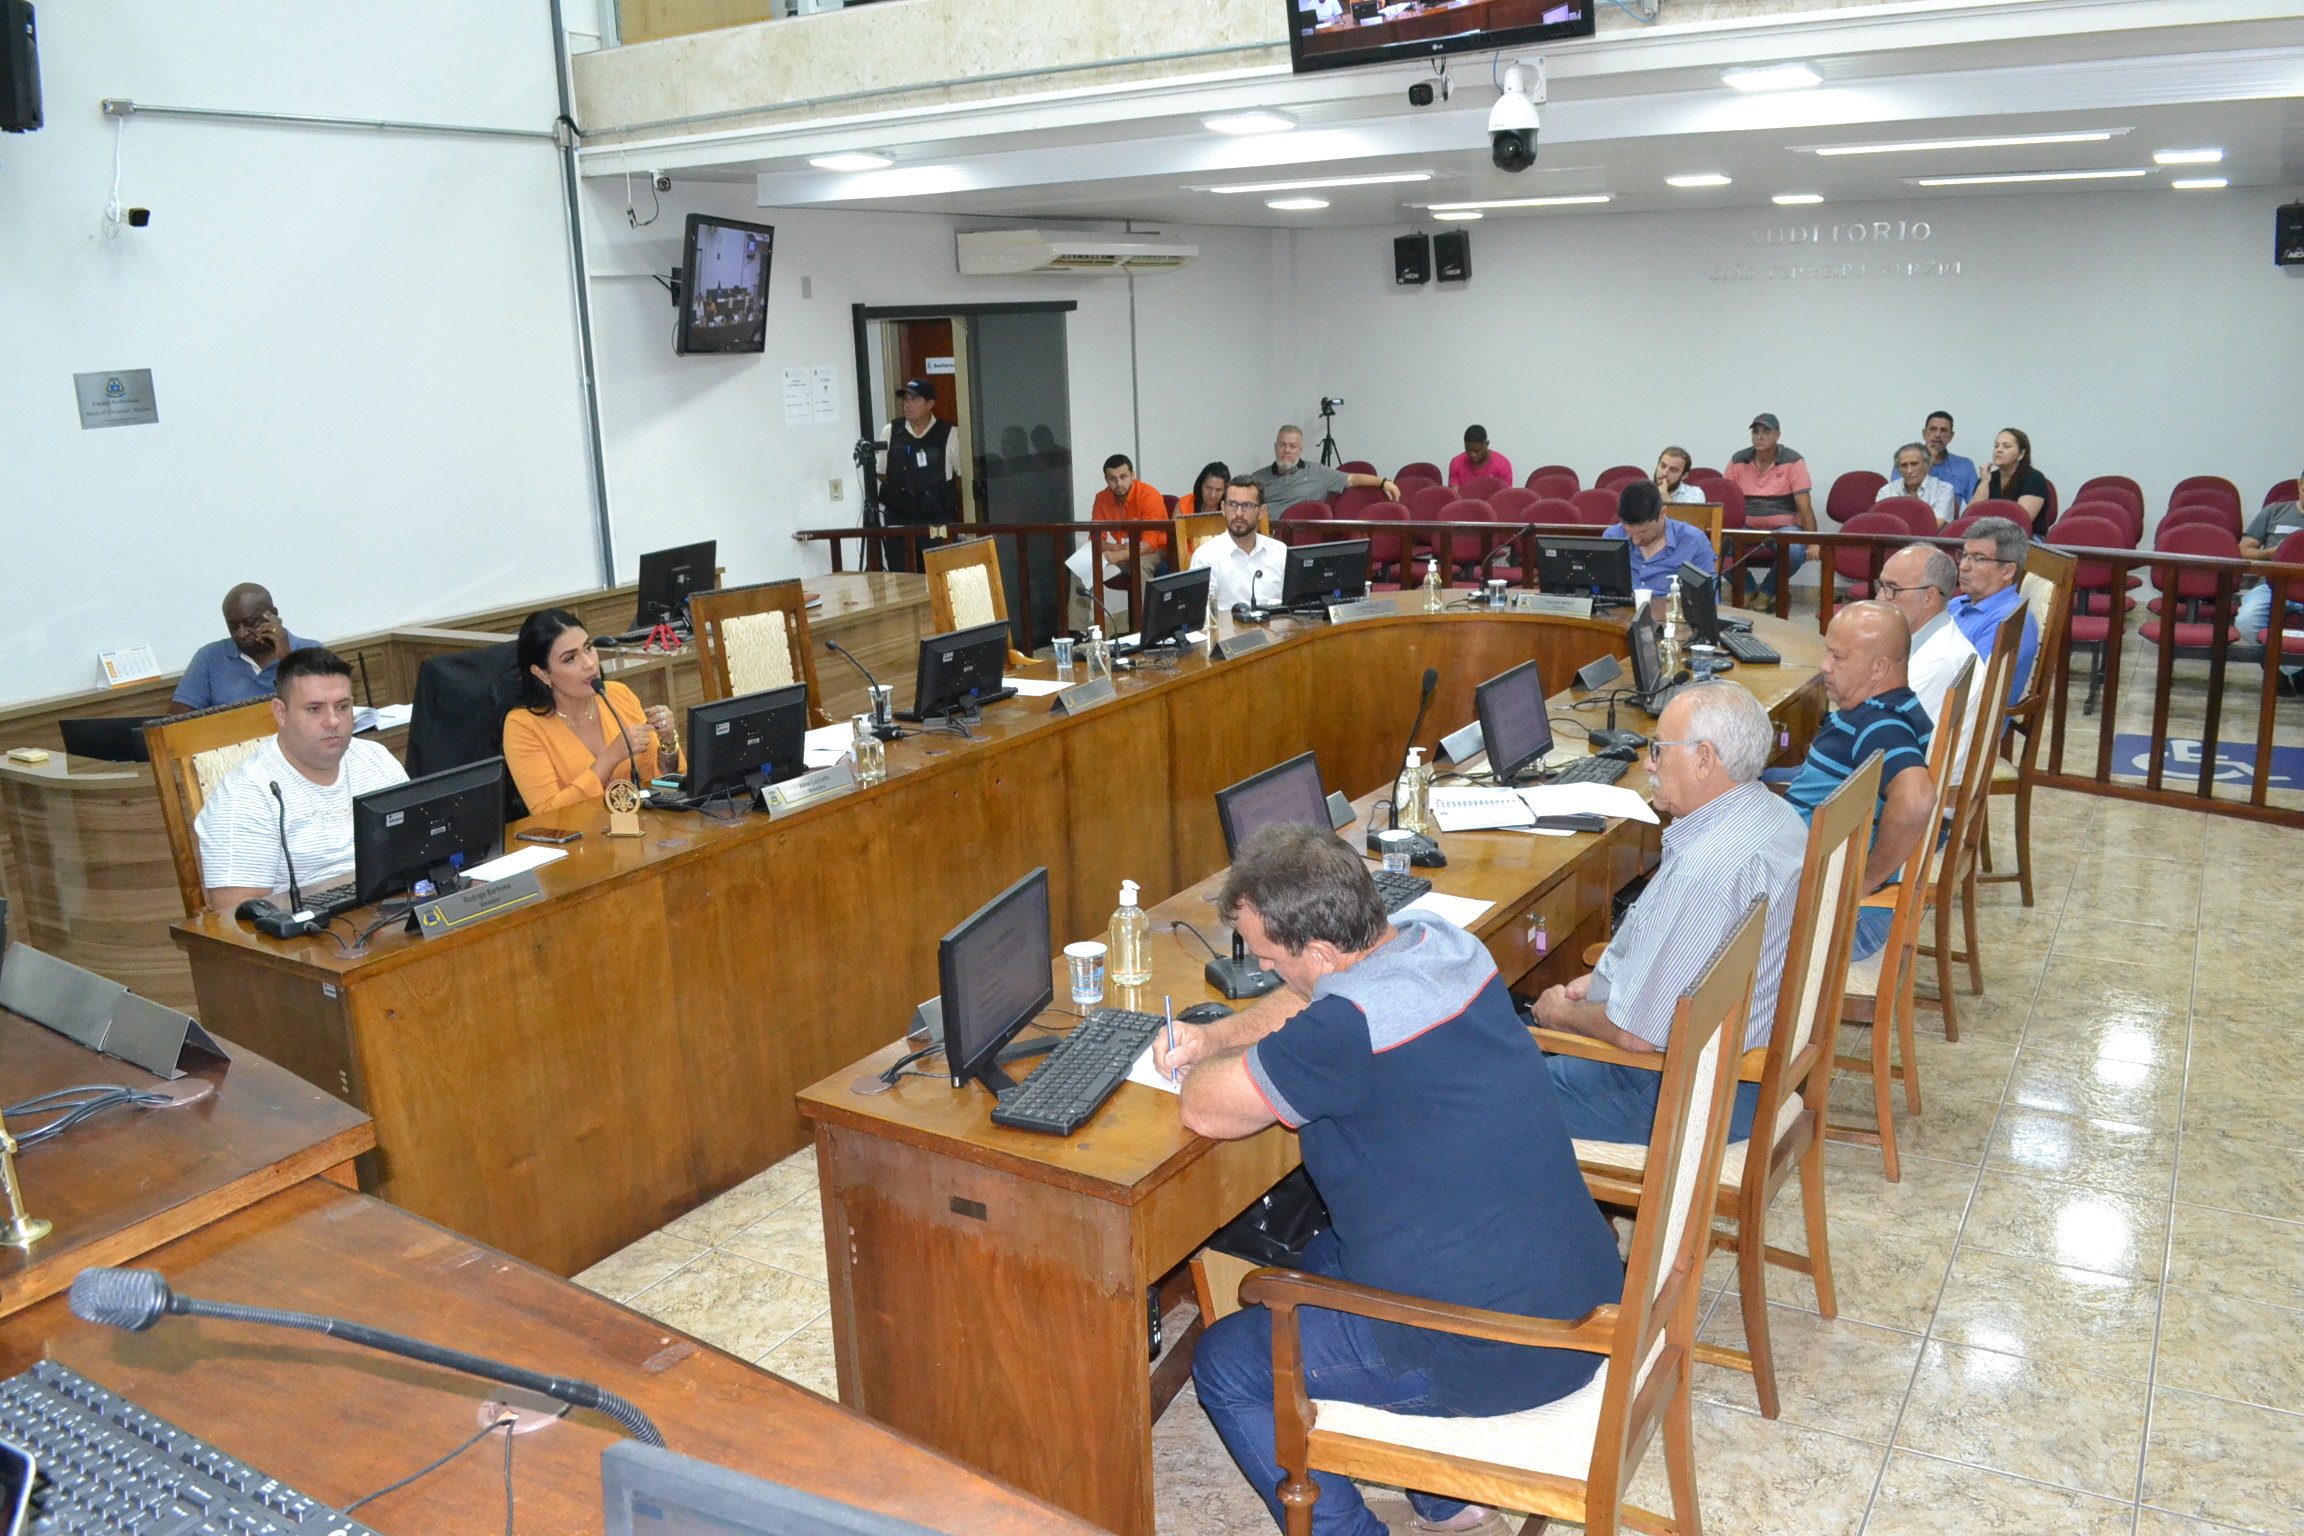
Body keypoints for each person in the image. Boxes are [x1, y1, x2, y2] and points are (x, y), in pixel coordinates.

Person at [1156, 823, 1621, 1536]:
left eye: (1271, 959)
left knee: (1228, 1365)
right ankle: (1444, 1497)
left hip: (1495, 1350)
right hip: (1581, 1292)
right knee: (1319, 1257)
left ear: (1318, 954)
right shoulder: (1442, 944)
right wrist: (1218, 1034)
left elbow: (1204, 1108)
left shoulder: (1343, 1030)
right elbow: (1321, 997)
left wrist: (1203, 1062)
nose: (1269, 973)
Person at [1531, 682, 1803, 1145]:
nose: (1649, 764)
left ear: (1704, 759)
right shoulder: (1776, 816)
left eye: (1659, 749)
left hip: (1689, 1093)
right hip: (1740, 1062)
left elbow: (1636, 1037)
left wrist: (1559, 1015)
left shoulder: (1708, 870)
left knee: (1476, 1102)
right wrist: (1606, 982)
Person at [193, 648, 407, 912]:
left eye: (343, 706)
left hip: (395, 909)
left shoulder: (376, 759)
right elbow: (236, 916)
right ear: (280, 713)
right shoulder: (245, 795)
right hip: (311, 931)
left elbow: (418, 848)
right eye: (314, 709)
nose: (333, 721)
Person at [1779, 603, 1936, 961]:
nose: (1824, 666)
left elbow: (1916, 800)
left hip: (1847, 921)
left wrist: (1864, 882)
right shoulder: (1890, 708)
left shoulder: (1880, 725)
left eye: (1838, 657)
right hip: (1833, 901)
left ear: (1878, 667)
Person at [501, 608, 683, 816]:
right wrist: (610, 758)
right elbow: (548, 813)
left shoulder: (618, 695)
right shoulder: (523, 726)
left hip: (636, 825)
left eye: (588, 648)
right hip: (578, 834)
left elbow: (662, 784)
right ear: (542, 674)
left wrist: (667, 742)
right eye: (570, 659)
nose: (589, 664)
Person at [1877, 544, 1982, 781]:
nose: (1880, 598)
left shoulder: (1938, 661)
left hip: (1912, 788)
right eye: (1881, 586)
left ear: (1929, 597)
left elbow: (1886, 743)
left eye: (1892, 589)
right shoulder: (1930, 636)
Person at [172, 583, 319, 712]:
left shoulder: (312, 651)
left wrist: (287, 660)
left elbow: (319, 708)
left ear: (272, 615)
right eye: (233, 626)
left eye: (250, 623)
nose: (242, 634)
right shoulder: (209, 658)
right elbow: (179, 721)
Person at [1725, 413, 1815, 609]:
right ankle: (1747, 589)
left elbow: (1804, 506)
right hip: (1746, 526)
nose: (1759, 437)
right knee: (1714, 547)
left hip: (1784, 527)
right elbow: (1727, 500)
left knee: (1795, 551)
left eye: (1766, 432)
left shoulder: (1793, 461)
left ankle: (1767, 592)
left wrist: (1813, 542)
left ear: (1777, 435)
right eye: (1755, 432)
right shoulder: (1738, 460)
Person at [1947, 516, 2039, 701]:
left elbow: (1970, 689)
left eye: (1978, 559)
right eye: (1964, 555)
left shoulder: (2009, 621)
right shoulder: (1958, 603)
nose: (1963, 566)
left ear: (2007, 571)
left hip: (1961, 715)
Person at [1248, 425, 1399, 515]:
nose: (1287, 450)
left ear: (1300, 449)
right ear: (1275, 447)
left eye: (1293, 446)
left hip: (1300, 539)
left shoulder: (1318, 472)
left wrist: (1383, 482)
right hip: (1263, 538)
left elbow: (1352, 479)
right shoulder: (1257, 478)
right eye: (1282, 445)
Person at [1189, 477, 1289, 612]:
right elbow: (1200, 613)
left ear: (1261, 512)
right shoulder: (1206, 557)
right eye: (1232, 504)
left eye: (1247, 506)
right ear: (1223, 508)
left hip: (1278, 624)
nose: (1239, 513)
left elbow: (1294, 605)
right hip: (1228, 625)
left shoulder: (1280, 551)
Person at [1603, 477, 1715, 590]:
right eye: (1628, 532)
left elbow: (1708, 596)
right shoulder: (1612, 537)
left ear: (1663, 513)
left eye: (1644, 531)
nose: (1636, 541)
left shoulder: (1693, 541)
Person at [876, 379, 959, 523]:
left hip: (936, 519)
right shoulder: (890, 431)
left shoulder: (950, 433)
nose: (907, 404)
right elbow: (881, 472)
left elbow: (962, 476)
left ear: (930, 404)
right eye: (905, 399)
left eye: (913, 399)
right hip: (898, 519)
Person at [2236, 470, 2304, 643]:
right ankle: (2274, 658)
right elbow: (2242, 551)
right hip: (2271, 586)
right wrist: (2268, 553)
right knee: (2246, 621)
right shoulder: (2275, 511)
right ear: (2300, 485)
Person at [1090, 454, 1170, 576]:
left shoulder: (1149, 495)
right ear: (1106, 479)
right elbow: (1095, 540)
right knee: (1087, 565)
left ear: (1133, 475)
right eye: (1113, 479)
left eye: (1123, 477)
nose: (1118, 483)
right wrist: (1118, 548)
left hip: (1157, 551)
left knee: (1138, 565)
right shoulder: (1102, 498)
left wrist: (1117, 555)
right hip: (1123, 550)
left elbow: (1149, 546)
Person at [1969, 427, 2050, 533]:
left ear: (2021, 454)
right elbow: (1970, 517)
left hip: (2025, 538)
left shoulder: (2034, 478)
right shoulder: (1987, 478)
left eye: (2006, 446)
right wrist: (1984, 482)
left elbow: (2021, 521)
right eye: (1996, 446)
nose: (1999, 450)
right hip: (1986, 536)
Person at [1898, 411, 1979, 506]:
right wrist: (1928, 461)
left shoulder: (1965, 466)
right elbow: (1899, 499)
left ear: (1951, 436)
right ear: (1924, 433)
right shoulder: (1905, 462)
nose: (1937, 435)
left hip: (1950, 515)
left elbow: (1975, 506)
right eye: (1933, 429)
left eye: (1943, 430)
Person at [1878, 442, 1958, 526]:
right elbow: (1883, 525)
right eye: (1904, 465)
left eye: (1914, 464)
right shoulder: (1886, 492)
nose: (1909, 471)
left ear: (1927, 465)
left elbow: (1936, 525)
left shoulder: (1943, 490)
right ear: (1898, 470)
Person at [1446, 425, 1513, 490]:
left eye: (1477, 451)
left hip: (1494, 498)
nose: (1472, 454)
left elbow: (1504, 495)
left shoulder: (1502, 465)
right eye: (1468, 450)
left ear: (1486, 444)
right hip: (1463, 498)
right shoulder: (1457, 463)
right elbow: (1455, 494)